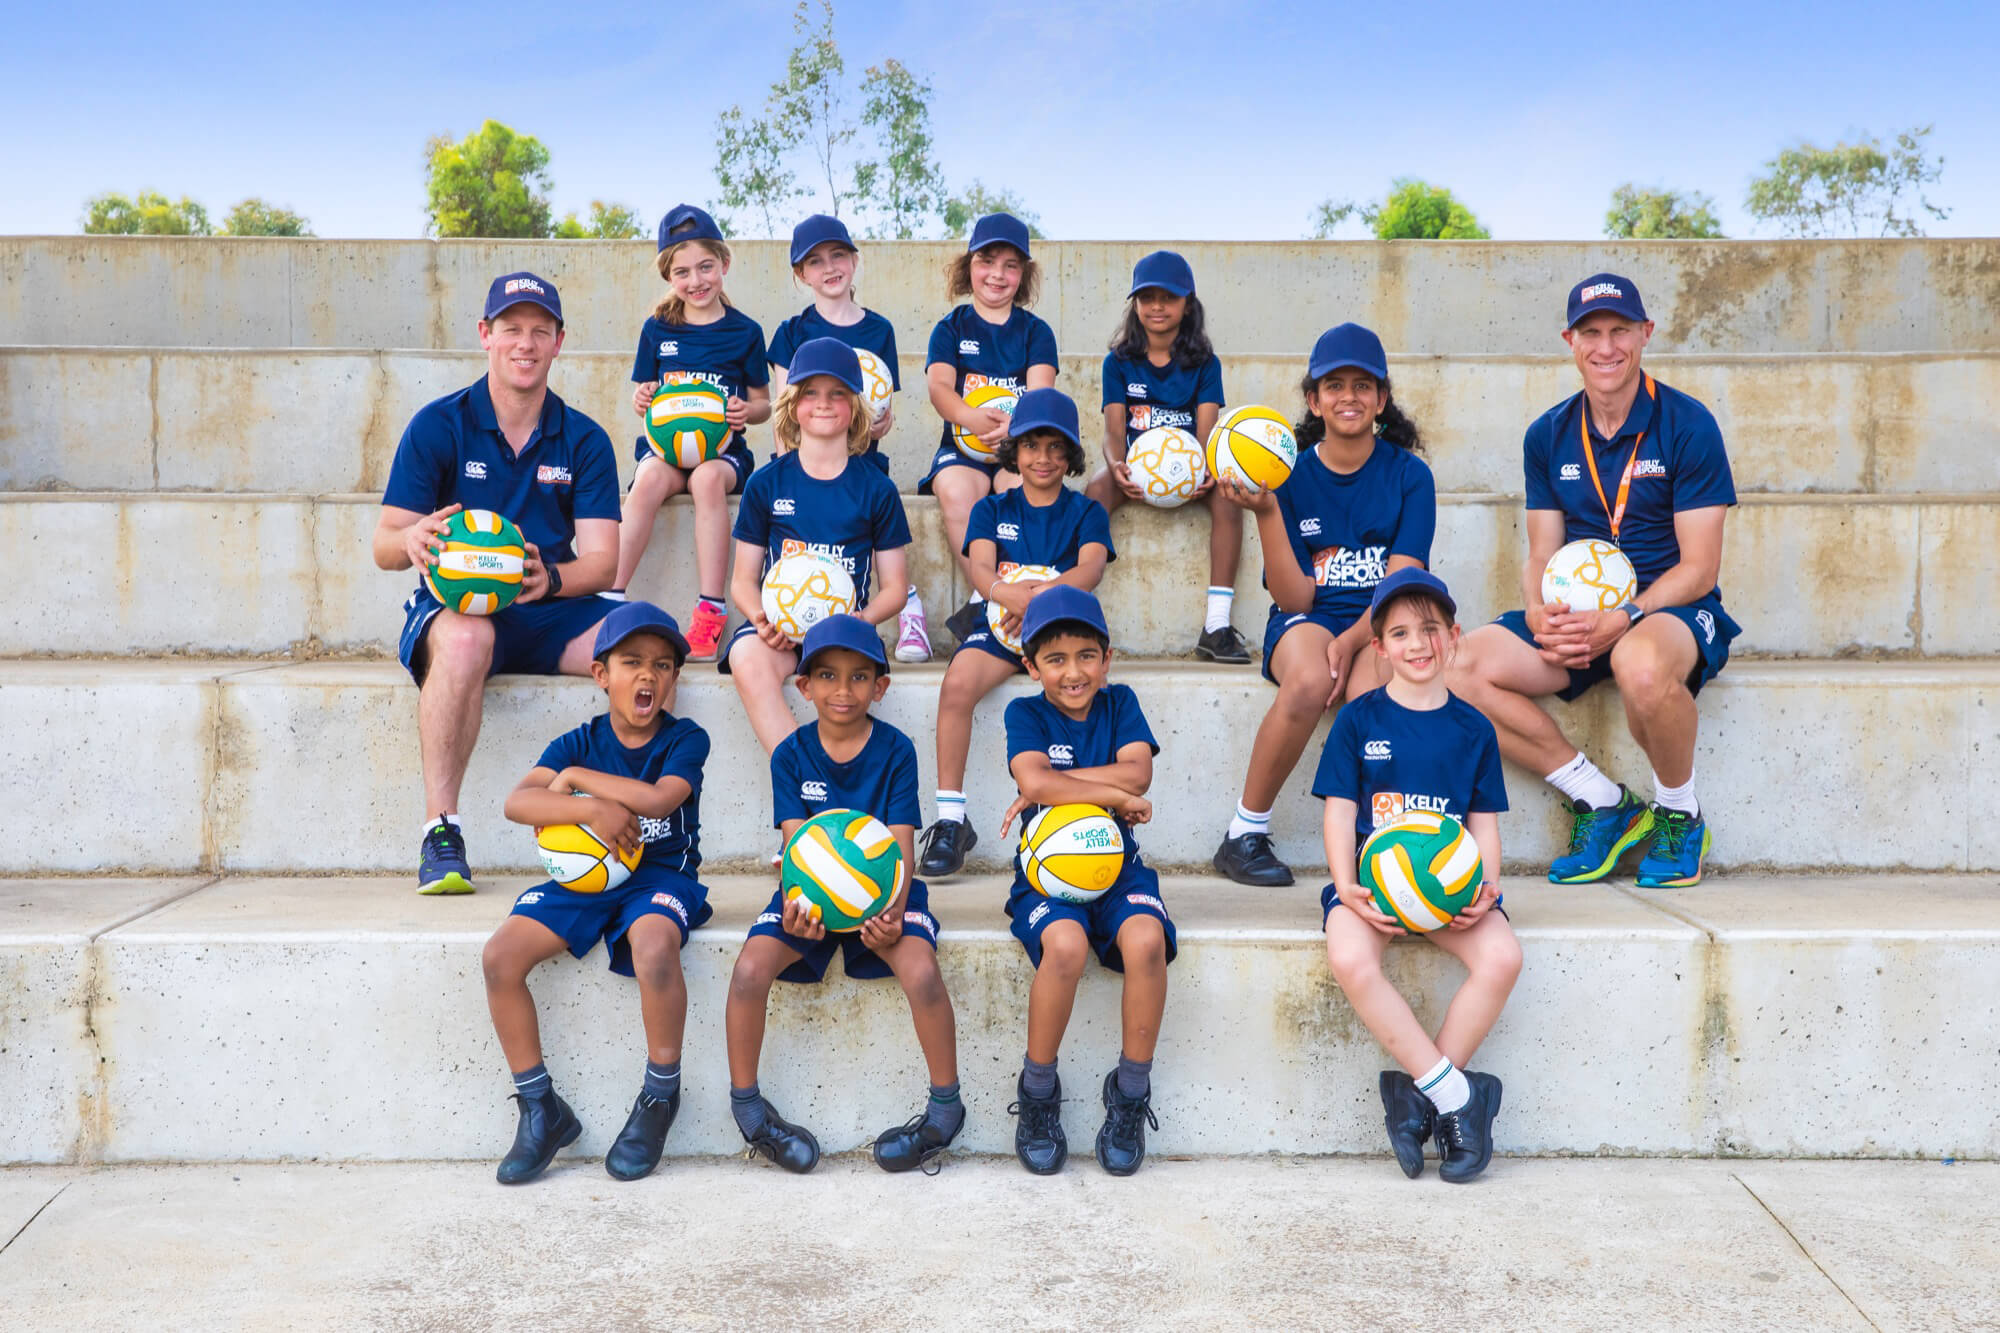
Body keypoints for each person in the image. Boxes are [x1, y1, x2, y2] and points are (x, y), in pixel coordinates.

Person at [1448, 275, 1740, 888]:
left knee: (1639, 664)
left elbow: (1700, 568)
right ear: (1571, 342)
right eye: (1591, 333)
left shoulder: (1688, 425)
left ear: (1645, 333)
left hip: (1668, 612)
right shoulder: (1548, 434)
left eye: (1619, 331)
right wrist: (1537, 611)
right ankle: (1603, 801)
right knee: (1453, 668)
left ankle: (1680, 815)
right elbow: (1541, 553)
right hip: (1579, 618)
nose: (1606, 347)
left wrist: (1627, 616)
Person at [372, 272, 621, 895]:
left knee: (644, 646)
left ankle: (638, 826)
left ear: (559, 341)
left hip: (548, 605)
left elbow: (603, 564)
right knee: (465, 640)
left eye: (540, 330)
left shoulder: (584, 438)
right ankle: (442, 831)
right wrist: (412, 539)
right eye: (511, 329)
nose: (525, 343)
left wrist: (550, 577)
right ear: (485, 335)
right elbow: (384, 546)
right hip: (463, 611)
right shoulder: (439, 425)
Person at [479, 602, 712, 1185]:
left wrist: (583, 786)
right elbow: (518, 803)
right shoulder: (577, 740)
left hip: (661, 877)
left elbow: (659, 800)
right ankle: (541, 1108)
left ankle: (659, 1096)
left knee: (654, 946)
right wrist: (589, 811)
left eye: (662, 665)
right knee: (501, 956)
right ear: (601, 674)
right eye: (632, 662)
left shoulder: (686, 739)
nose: (648, 675)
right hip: (584, 881)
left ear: (673, 680)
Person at [723, 615, 962, 1175]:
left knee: (922, 972)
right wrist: (797, 907)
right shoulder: (790, 754)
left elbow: (901, 848)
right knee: (749, 970)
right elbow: (795, 849)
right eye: (828, 676)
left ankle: (945, 1112)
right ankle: (750, 1114)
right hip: (810, 896)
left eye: (859, 677)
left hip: (885, 895)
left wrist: (893, 913)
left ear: (881, 687)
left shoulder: (897, 749)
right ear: (804, 687)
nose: (843, 689)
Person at [1211, 323, 1437, 887]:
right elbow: (1295, 597)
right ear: (1314, 400)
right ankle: (1244, 832)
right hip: (1309, 618)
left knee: (1376, 694)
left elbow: (1402, 582)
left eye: (1363, 385)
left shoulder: (1411, 475)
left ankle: (1380, 837)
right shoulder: (1286, 475)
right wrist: (1266, 511)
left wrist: (1354, 639)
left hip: (1383, 616)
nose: (1348, 397)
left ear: (1382, 398)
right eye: (1334, 385)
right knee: (1312, 679)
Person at [1315, 570, 1518, 1183]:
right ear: (1379, 647)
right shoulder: (1358, 721)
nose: (1417, 643)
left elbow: (1483, 824)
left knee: (1503, 957)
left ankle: (1417, 1098)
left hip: (1448, 892)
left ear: (1453, 636)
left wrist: (1487, 889)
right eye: (1400, 633)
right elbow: (1339, 812)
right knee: (1350, 959)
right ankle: (1457, 1097)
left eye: (1430, 629)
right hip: (1373, 889)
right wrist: (1345, 885)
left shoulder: (1474, 728)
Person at [998, 587, 1174, 1176]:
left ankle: (1129, 1092)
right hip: (1047, 874)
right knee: (1067, 946)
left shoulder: (1120, 703)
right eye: (1055, 659)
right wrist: (1110, 795)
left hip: (1118, 866)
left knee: (1146, 941)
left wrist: (1058, 783)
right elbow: (1037, 783)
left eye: (1086, 656)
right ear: (1031, 666)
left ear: (1107, 658)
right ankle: (1038, 1091)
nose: (1073, 672)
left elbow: (1138, 773)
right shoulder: (1024, 714)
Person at [917, 388, 1114, 877]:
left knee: (1090, 694)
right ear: (1014, 451)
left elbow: (1090, 569)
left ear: (1070, 454)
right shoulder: (992, 508)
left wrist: (1040, 600)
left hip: (1064, 634)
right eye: (1030, 445)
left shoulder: (1086, 511)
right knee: (956, 684)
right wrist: (1008, 595)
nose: (1042, 458)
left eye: (1055, 447)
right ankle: (950, 819)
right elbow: (981, 569)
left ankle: (1093, 808)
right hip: (1002, 627)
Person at [722, 338, 913, 758]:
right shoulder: (766, 483)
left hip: (844, 632)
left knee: (842, 677)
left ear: (856, 407)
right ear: (792, 405)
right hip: (781, 633)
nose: (823, 404)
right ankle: (802, 770)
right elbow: (742, 581)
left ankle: (841, 768)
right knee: (746, 656)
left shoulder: (876, 489)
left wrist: (863, 620)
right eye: (810, 392)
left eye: (837, 393)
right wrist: (762, 620)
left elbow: (896, 589)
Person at [765, 214, 932, 664]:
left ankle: (904, 600)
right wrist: (795, 471)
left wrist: (879, 424)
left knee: (875, 505)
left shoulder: (879, 331)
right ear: (801, 274)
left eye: (838, 255)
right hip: (801, 461)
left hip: (859, 461)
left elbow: (883, 411)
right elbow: (784, 412)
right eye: (815, 261)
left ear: (854, 261)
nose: (829, 267)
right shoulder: (791, 333)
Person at [615, 204, 772, 662]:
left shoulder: (745, 331)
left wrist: (747, 411)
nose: (696, 280)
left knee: (705, 480)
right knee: (647, 481)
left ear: (724, 263)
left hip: (722, 454)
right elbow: (645, 396)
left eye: (706, 267)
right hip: (666, 452)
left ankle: (710, 608)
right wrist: (642, 398)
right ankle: (610, 594)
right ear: (669, 276)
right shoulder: (657, 329)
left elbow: (764, 404)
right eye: (682, 272)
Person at [1082, 250, 1247, 663]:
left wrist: (1206, 470)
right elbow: (1113, 432)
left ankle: (1217, 625)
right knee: (1095, 489)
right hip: (1136, 468)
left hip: (1188, 470)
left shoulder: (1204, 363)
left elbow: (1207, 434)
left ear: (1187, 304)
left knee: (1229, 495)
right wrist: (1117, 466)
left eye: (1168, 297)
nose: (1157, 306)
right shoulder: (1118, 362)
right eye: (1147, 297)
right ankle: (1078, 610)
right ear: (1135, 304)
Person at [920, 212, 1059, 644]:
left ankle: (1011, 595)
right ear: (969, 267)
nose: (997, 274)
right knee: (957, 491)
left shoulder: (1036, 332)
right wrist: (970, 418)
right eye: (987, 261)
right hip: (962, 449)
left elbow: (1041, 395)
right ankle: (986, 596)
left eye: (1010, 265)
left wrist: (1017, 428)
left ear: (1023, 275)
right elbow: (939, 388)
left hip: (1018, 447)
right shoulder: (951, 328)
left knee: (1025, 489)